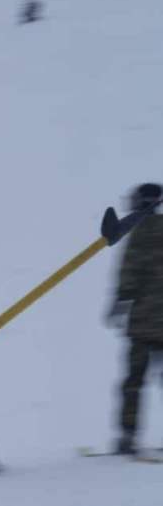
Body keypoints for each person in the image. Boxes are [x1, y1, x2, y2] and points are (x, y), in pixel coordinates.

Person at [106, 182, 163, 455]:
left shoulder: (139, 232)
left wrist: (119, 305)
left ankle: (128, 437)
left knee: (133, 382)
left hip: (143, 323)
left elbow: (129, 274)